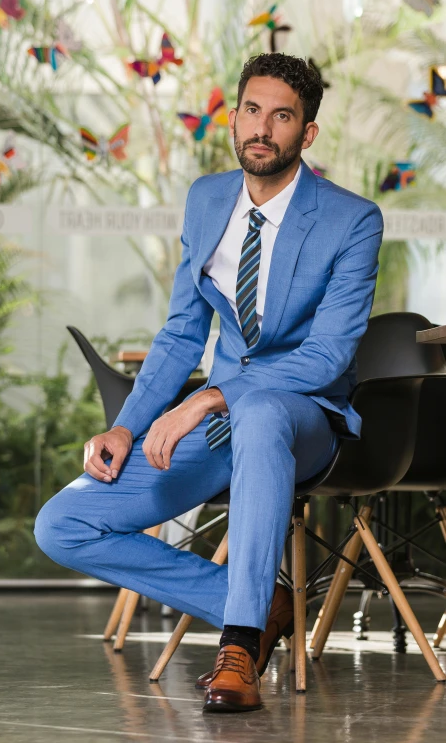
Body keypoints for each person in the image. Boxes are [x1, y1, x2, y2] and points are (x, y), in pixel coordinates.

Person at [35, 53, 383, 713]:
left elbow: (329, 354)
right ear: (235, 116)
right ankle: (260, 601)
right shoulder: (204, 200)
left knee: (258, 415)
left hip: (303, 418)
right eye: (252, 110)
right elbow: (179, 335)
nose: (262, 127)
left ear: (306, 133)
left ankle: (238, 644)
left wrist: (210, 395)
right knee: (62, 524)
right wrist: (124, 426)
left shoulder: (352, 219)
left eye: (282, 116)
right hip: (221, 425)